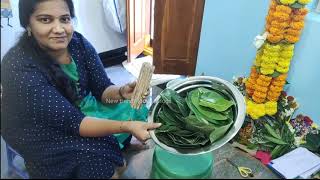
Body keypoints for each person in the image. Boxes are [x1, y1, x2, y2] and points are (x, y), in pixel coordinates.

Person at [1, 0, 161, 179]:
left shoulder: (78, 43)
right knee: (99, 163)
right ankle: (115, 154)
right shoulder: (18, 67)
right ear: (28, 23)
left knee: (131, 108)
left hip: (79, 109)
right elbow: (75, 124)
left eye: (64, 19)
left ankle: (123, 147)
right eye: (45, 20)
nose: (59, 29)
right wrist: (127, 127)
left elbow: (102, 89)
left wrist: (122, 92)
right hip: (38, 128)